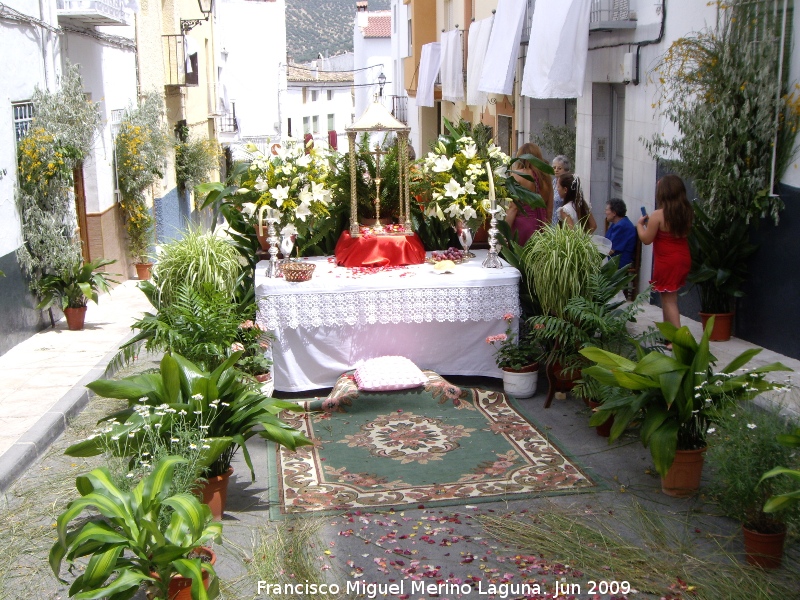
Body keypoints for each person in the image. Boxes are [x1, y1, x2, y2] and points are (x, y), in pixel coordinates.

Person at [636, 174, 693, 332]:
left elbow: (647, 239)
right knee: (667, 296)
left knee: (669, 301)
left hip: (667, 261)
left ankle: (679, 340)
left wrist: (640, 225)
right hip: (682, 257)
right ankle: (669, 337)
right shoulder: (686, 212)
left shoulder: (657, 215)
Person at [505, 143, 553, 245]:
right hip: (542, 227)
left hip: (522, 227)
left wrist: (503, 233)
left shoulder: (517, 175)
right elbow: (549, 211)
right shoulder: (547, 178)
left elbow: (513, 208)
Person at [604, 198, 637, 268]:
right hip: (613, 258)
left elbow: (611, 250)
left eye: (607, 210)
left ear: (614, 213)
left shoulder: (622, 226)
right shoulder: (617, 223)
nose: (605, 212)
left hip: (617, 261)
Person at [551, 155, 571, 225]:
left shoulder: (569, 185)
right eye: (554, 168)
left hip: (563, 222)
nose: (556, 170)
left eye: (559, 168)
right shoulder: (553, 182)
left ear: (566, 170)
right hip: (552, 221)